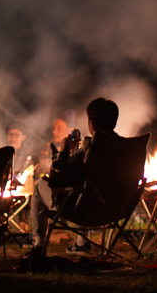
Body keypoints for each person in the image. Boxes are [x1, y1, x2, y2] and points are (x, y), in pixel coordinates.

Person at [30, 98, 121, 257]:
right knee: (87, 193)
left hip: (82, 211)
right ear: (114, 122)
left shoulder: (89, 149)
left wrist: (65, 152)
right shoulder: (128, 148)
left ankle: (38, 244)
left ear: (91, 124)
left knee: (39, 187)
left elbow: (56, 181)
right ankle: (81, 243)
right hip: (117, 209)